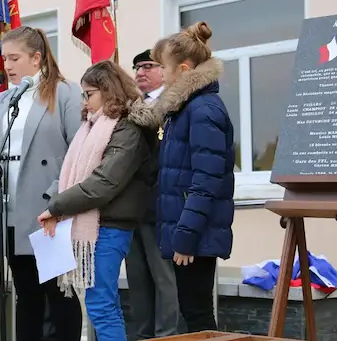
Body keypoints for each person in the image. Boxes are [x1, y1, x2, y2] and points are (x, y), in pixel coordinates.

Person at [0, 26, 83, 341]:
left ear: (36, 57)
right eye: (5, 58)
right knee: (26, 292)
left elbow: (79, 151)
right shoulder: (4, 99)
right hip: (10, 208)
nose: (7, 65)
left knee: (58, 292)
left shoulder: (64, 93)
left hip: (47, 207)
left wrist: (58, 197)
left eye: (14, 58)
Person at [37, 60, 157, 341]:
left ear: (108, 90)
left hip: (111, 225)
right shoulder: (94, 126)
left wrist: (57, 205)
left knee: (101, 305)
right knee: (101, 302)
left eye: (89, 94)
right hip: (98, 223)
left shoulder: (127, 128)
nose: (85, 102)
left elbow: (104, 183)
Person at [149, 21, 235, 332]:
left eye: (162, 67)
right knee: (192, 312)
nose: (159, 73)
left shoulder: (203, 110)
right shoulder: (184, 109)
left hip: (194, 236)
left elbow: (206, 180)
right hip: (187, 232)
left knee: (197, 316)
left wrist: (183, 238)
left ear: (184, 69)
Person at [125, 49, 179, 339]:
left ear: (163, 69)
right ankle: (142, 335)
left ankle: (166, 335)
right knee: (137, 281)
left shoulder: (172, 105)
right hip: (129, 208)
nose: (140, 72)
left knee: (163, 280)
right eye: (136, 68)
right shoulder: (132, 106)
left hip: (158, 206)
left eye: (148, 66)